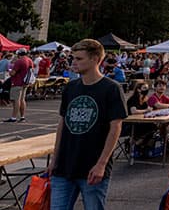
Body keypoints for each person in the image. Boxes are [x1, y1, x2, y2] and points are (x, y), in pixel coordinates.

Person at [48, 39, 127, 210]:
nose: (74, 62)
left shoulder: (111, 88)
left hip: (92, 167)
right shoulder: (71, 88)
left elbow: (116, 127)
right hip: (64, 166)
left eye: (79, 59)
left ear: (95, 59)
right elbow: (63, 123)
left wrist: (101, 164)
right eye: (73, 58)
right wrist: (54, 159)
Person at [5, 48, 33, 123]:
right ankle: (22, 116)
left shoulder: (19, 61)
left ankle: (14, 117)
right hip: (25, 82)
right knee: (22, 99)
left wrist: (10, 69)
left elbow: (12, 73)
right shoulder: (29, 60)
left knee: (16, 100)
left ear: (18, 54)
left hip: (17, 82)